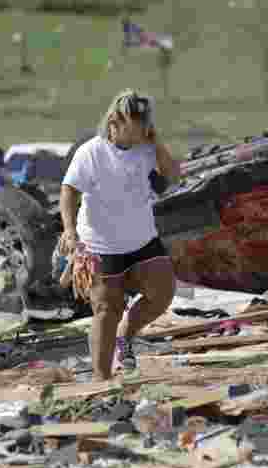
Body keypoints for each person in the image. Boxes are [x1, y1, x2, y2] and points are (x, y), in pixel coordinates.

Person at [58, 89, 181, 381]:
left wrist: (158, 143)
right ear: (115, 122)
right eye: (138, 124)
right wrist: (70, 230)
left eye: (146, 124)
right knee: (106, 309)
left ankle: (126, 336)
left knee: (162, 293)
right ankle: (101, 379)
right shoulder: (91, 152)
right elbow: (69, 191)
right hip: (100, 246)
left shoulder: (147, 149)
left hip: (142, 240)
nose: (144, 130)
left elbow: (173, 177)